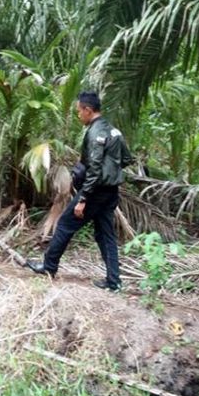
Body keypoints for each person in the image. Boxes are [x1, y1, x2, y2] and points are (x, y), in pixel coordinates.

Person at [27, 91, 133, 291]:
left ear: (88, 110)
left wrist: (83, 198)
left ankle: (49, 267)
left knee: (66, 224)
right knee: (105, 235)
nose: (78, 115)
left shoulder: (94, 133)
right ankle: (114, 281)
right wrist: (109, 173)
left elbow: (93, 169)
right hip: (111, 192)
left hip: (94, 192)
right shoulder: (114, 131)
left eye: (79, 111)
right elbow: (126, 159)